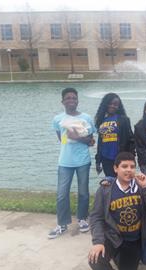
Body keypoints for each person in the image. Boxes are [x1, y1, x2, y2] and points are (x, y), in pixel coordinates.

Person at [88, 152, 146, 270]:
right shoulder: (105, 189)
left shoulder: (141, 186)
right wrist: (98, 242)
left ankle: (119, 256)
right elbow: (96, 217)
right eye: (124, 166)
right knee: (95, 260)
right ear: (115, 168)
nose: (129, 170)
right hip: (113, 237)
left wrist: (145, 187)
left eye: (132, 167)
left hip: (133, 239)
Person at [48, 87, 96, 239]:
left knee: (83, 193)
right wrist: (69, 139)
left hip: (83, 161)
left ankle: (82, 219)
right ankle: (62, 224)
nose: (71, 101)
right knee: (62, 194)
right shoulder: (58, 119)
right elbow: (61, 139)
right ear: (62, 101)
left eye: (74, 98)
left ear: (78, 100)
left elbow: (91, 141)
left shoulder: (86, 118)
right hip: (65, 161)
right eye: (68, 98)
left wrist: (76, 138)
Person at [94, 92, 135, 177]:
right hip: (106, 159)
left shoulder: (124, 120)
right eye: (110, 103)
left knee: (122, 183)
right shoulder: (102, 120)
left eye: (115, 104)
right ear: (105, 104)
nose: (112, 106)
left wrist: (131, 158)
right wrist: (98, 161)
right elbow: (100, 143)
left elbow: (131, 140)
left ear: (118, 106)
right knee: (110, 183)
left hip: (120, 159)